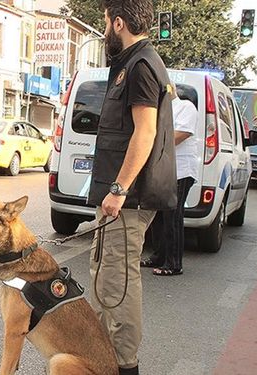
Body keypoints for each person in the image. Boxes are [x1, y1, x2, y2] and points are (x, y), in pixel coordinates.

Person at [87, 1, 177, 374]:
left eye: (106, 21)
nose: (104, 28)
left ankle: (125, 367)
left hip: (129, 199)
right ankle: (102, 359)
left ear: (118, 22)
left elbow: (146, 131)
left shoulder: (140, 65)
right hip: (122, 200)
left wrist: (119, 188)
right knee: (104, 278)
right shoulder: (133, 63)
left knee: (117, 286)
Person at [143, 83, 199, 276]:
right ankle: (158, 256)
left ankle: (174, 263)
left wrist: (151, 139)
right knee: (158, 216)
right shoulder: (156, 111)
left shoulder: (185, 107)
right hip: (161, 171)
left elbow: (181, 135)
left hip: (180, 171)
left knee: (172, 217)